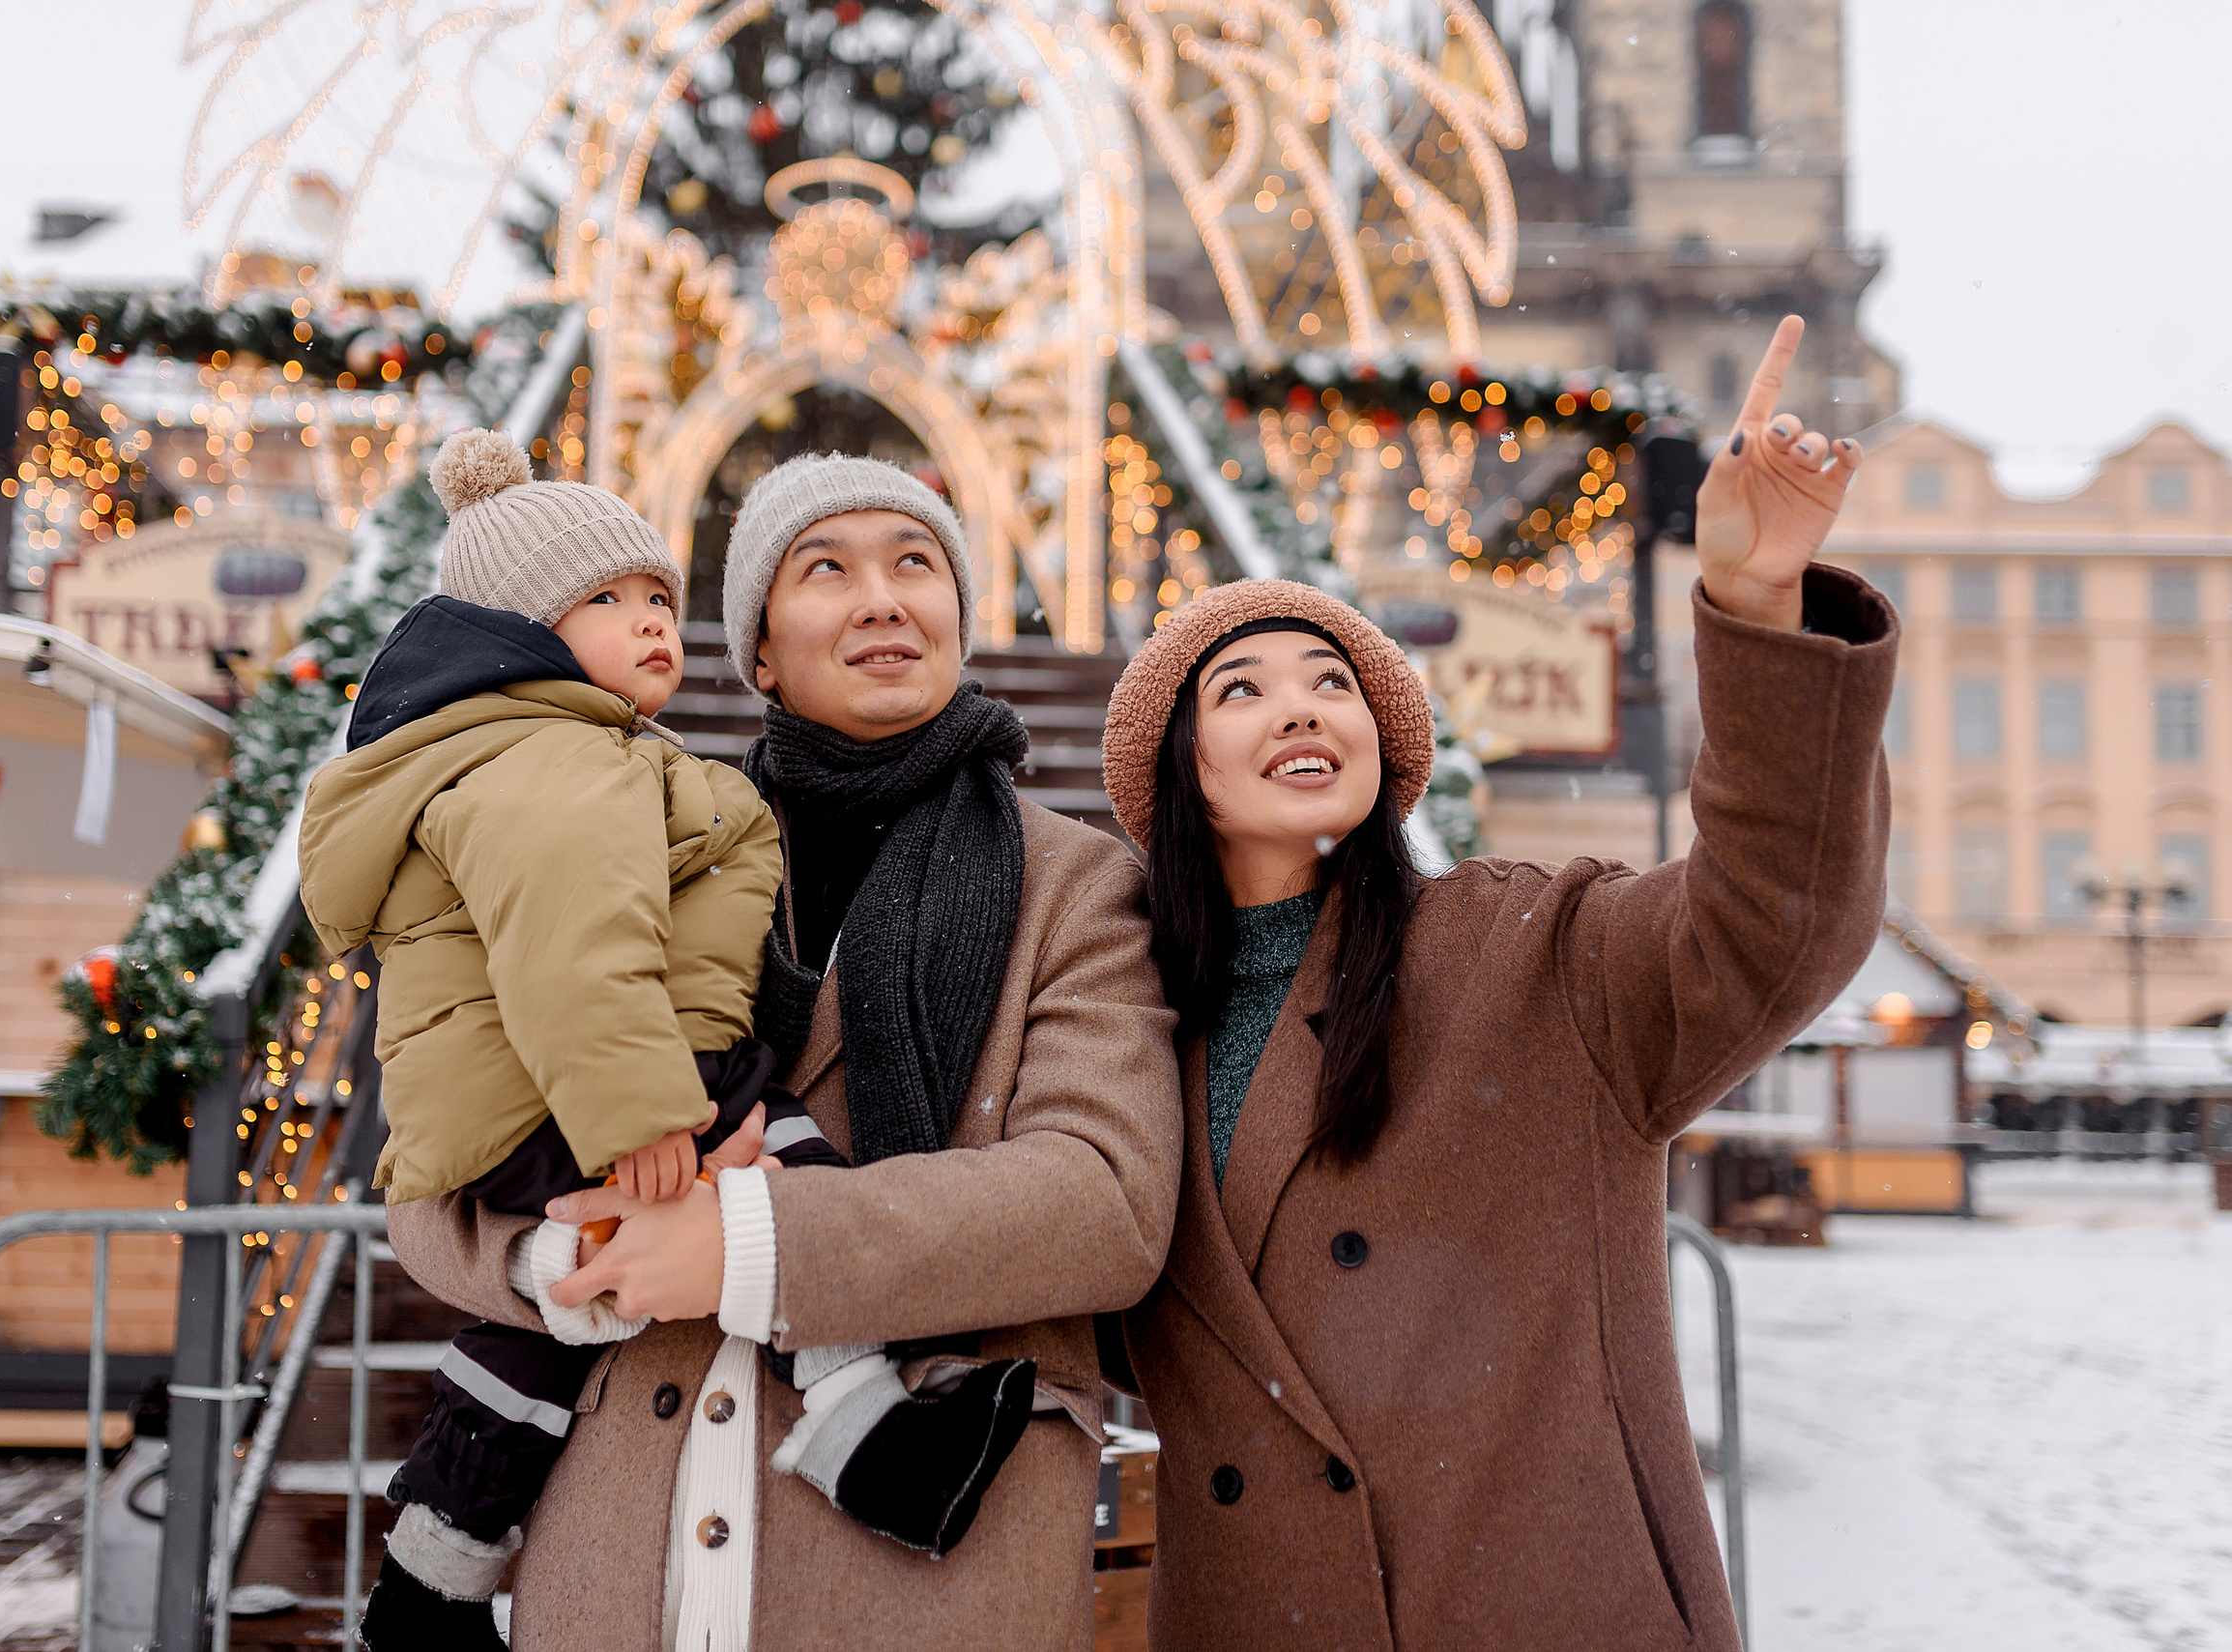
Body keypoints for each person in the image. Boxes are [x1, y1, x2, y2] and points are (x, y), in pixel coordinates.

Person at [1099, 318, 1895, 1651]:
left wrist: (1756, 609)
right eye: (1241, 690)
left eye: (1334, 683)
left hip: (1535, 1601)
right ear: (1181, 769)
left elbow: (1776, 920)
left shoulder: (1531, 955)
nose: (1303, 708)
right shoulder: (1118, 1023)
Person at [382, 451, 1184, 1650]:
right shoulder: (623, 832)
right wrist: (566, 1255)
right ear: (757, 648)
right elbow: (438, 1152)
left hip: (924, 1571)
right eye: (826, 568)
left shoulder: (1078, 885)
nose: (881, 597)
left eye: (916, 562)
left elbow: (1102, 1200)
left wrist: (747, 1243)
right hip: (619, 1551)